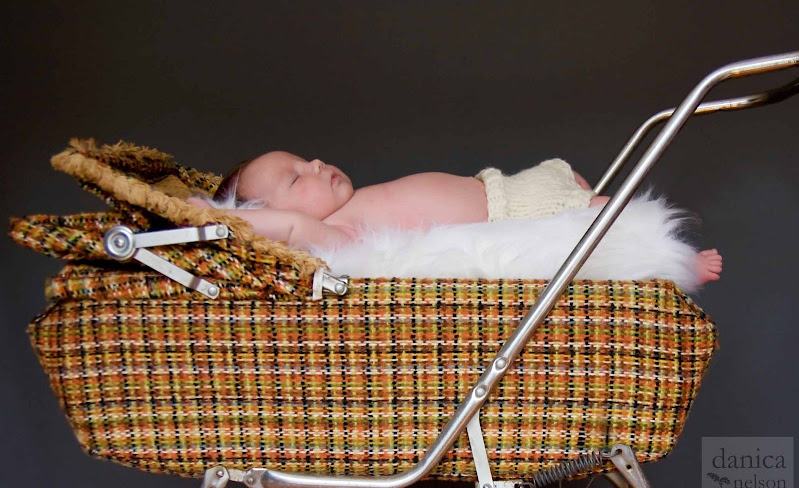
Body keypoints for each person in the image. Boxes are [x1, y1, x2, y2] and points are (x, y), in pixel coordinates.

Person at [186, 151, 722, 284]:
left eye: (306, 159)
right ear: (269, 214)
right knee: (611, 221)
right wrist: (219, 218)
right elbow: (291, 231)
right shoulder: (338, 236)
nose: (317, 164)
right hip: (515, 213)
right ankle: (678, 262)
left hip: (505, 186)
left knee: (586, 194)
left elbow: (288, 217)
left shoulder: (352, 203)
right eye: (297, 177)